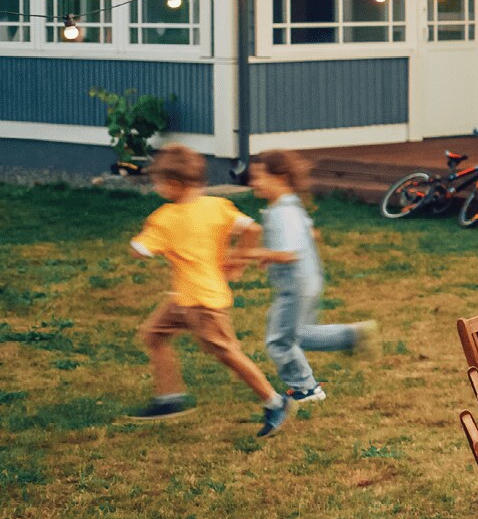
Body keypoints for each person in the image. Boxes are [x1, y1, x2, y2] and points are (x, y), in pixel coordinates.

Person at [123, 145, 292, 436]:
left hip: (202, 304)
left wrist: (143, 242)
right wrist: (237, 262)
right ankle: (169, 398)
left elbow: (139, 250)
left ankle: (275, 401)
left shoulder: (165, 218)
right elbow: (251, 229)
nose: (156, 186)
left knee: (227, 352)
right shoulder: (217, 206)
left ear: (174, 184)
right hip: (184, 299)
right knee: (154, 335)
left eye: (158, 181)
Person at [239, 150, 377, 404]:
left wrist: (255, 252)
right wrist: (272, 254)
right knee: (299, 334)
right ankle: (352, 336)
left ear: (279, 177)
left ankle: (306, 388)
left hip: (294, 286)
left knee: (279, 341)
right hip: (308, 279)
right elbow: (312, 235)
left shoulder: (282, 211)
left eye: (258, 177)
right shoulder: (291, 204)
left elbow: (288, 252)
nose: (252, 183)